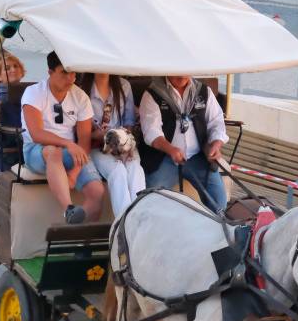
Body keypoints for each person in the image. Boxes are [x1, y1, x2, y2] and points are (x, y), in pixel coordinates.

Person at [21, 52, 105, 225]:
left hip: (70, 150)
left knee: (97, 191)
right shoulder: (34, 92)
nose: (71, 79)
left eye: (74, 73)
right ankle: (68, 208)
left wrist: (73, 175)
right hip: (36, 150)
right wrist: (68, 143)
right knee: (54, 152)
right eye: (65, 73)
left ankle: (82, 244)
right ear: (50, 72)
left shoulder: (80, 97)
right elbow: (36, 134)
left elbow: (84, 141)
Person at [137, 76, 229, 213]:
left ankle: (212, 230)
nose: (181, 75)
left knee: (218, 201)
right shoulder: (153, 93)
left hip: (198, 157)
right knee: (150, 198)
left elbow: (217, 123)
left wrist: (215, 145)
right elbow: (151, 132)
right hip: (164, 158)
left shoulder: (203, 91)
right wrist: (171, 150)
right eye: (177, 71)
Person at [78, 73, 144, 216]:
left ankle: (140, 218)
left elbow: (129, 122)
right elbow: (81, 131)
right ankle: (124, 223)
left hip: (122, 142)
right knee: (118, 171)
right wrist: (99, 135)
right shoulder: (82, 88)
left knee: (134, 168)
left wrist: (125, 143)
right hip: (97, 145)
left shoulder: (124, 85)